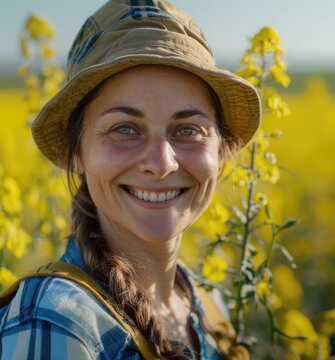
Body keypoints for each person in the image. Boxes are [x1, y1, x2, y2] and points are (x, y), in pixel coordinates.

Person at [0, 0, 260, 359]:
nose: (161, 162)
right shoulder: (55, 321)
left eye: (188, 129)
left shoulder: (209, 305)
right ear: (76, 153)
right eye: (124, 129)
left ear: (221, 152)